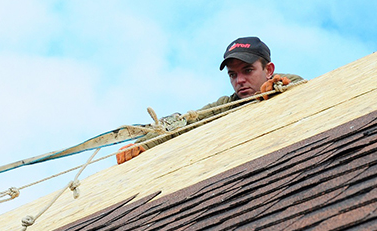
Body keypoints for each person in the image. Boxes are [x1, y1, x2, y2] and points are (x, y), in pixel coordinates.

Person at [117, 36, 304, 163]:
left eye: (248, 71)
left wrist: (280, 87)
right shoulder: (225, 105)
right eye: (232, 75)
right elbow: (184, 124)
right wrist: (143, 146)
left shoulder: (287, 84)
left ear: (269, 70)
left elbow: (302, 87)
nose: (239, 81)